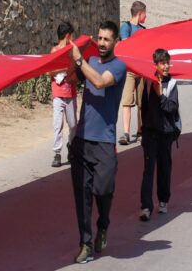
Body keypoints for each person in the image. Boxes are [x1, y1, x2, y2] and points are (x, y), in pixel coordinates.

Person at [68, 22, 127, 264]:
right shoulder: (90, 62)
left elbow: (100, 82)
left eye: (107, 40)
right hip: (82, 140)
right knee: (81, 196)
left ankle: (103, 223)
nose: (102, 43)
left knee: (103, 190)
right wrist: (66, 57)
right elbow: (71, 76)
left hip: (104, 142)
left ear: (115, 43)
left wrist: (80, 60)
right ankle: (86, 244)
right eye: (100, 39)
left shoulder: (119, 67)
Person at [139, 49, 181, 221]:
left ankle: (163, 200)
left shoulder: (171, 84)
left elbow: (172, 107)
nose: (166, 66)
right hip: (150, 134)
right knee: (148, 170)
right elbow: (144, 105)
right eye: (162, 63)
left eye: (167, 63)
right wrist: (143, 129)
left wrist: (161, 95)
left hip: (166, 134)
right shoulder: (149, 82)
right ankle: (146, 207)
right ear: (155, 65)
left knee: (164, 168)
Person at [119, 2, 147, 146]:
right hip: (129, 70)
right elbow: (126, 46)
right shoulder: (126, 27)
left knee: (142, 102)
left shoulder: (144, 30)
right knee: (127, 102)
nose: (146, 16)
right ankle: (126, 133)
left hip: (141, 70)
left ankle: (141, 130)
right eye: (145, 14)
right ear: (140, 13)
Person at [50, 22, 78, 167]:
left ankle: (71, 145)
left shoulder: (73, 51)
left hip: (71, 94)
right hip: (58, 94)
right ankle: (57, 153)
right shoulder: (54, 51)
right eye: (72, 35)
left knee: (73, 124)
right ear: (68, 36)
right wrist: (63, 72)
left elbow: (75, 73)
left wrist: (70, 75)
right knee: (57, 124)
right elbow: (49, 71)